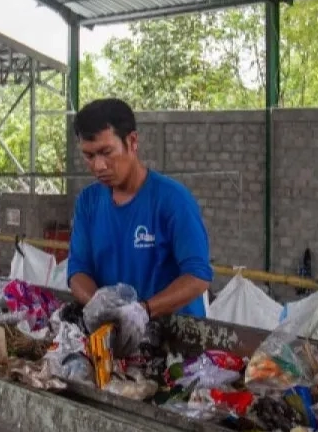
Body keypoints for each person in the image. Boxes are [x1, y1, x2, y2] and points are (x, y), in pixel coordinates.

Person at [67, 98, 213, 349]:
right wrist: (98, 304)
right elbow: (78, 270)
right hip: (118, 340)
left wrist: (143, 311)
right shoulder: (88, 202)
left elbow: (198, 276)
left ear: (132, 142)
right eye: (89, 155)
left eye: (106, 152)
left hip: (177, 343)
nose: (98, 165)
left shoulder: (172, 200)